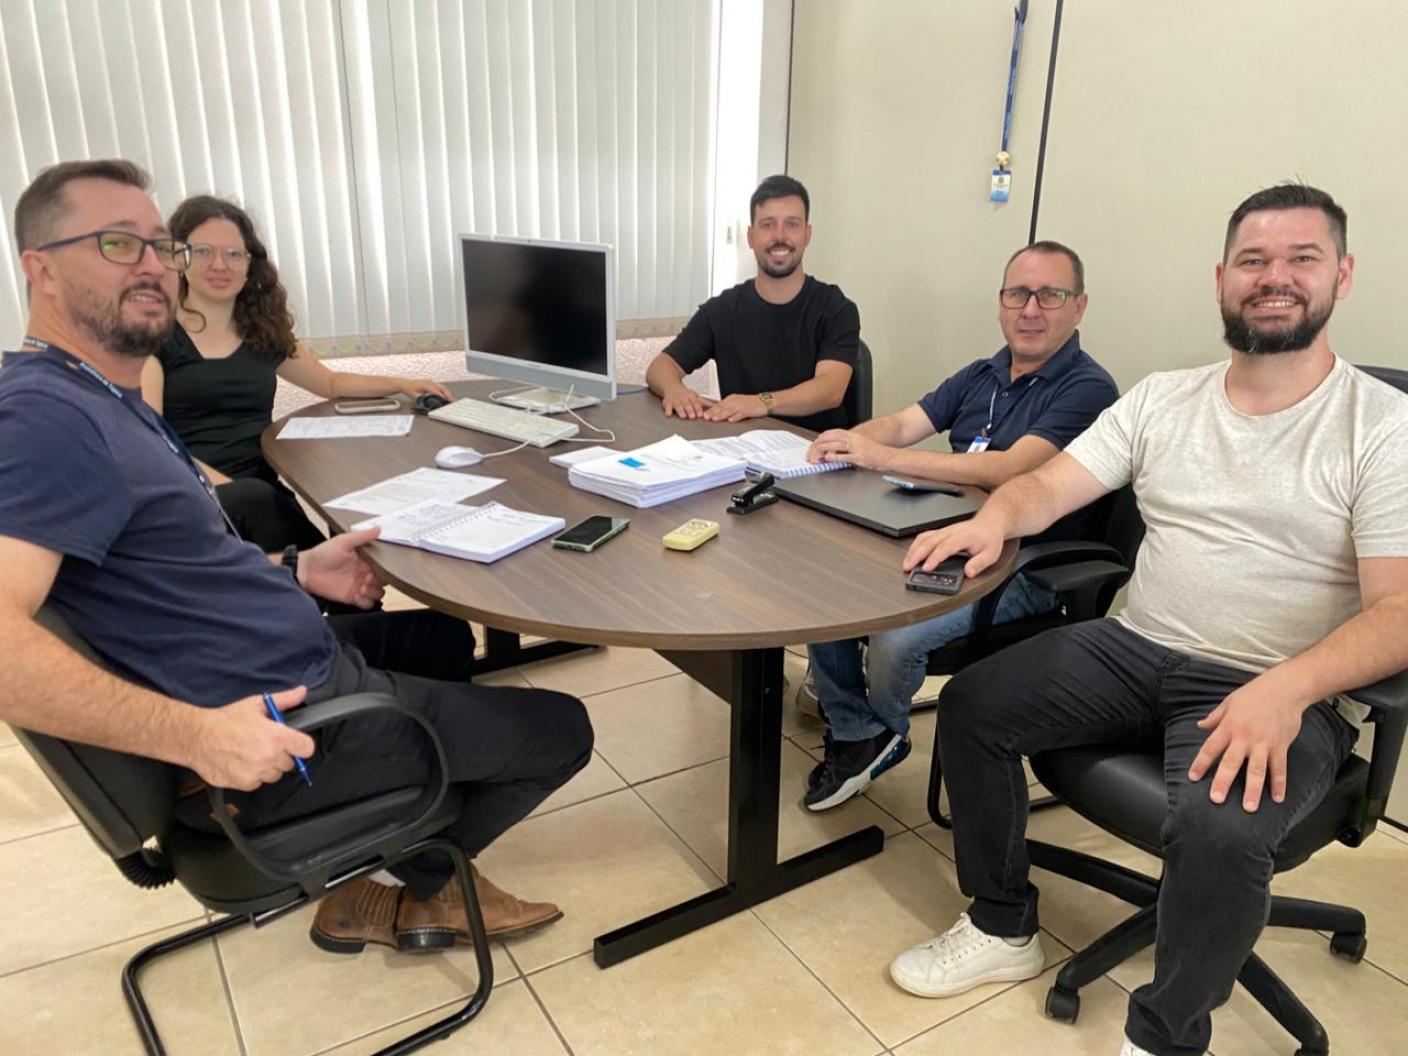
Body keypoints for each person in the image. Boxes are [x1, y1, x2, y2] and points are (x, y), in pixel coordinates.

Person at [0, 159, 593, 956]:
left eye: (158, 246)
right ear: (40, 269)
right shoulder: (46, 419)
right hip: (280, 729)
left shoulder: (103, 396)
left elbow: (169, 570)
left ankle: (390, 844)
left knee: (444, 637)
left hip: (280, 666)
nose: (152, 266)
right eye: (116, 244)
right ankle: (428, 883)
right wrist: (193, 738)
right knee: (562, 727)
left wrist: (296, 570)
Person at [888, 184, 1408, 1056]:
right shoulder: (1164, 398)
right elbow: (1047, 485)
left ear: (1341, 276)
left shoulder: (1383, 427)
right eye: (1252, 260)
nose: (1273, 278)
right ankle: (1002, 924)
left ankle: (1166, 1034)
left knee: (1220, 824)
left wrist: (1288, 689)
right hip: (1138, 645)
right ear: (1221, 278)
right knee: (973, 705)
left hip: (1279, 681)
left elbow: (1398, 612)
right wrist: (993, 520)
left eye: (1301, 259)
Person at [798, 241, 1118, 810]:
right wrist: (844, 442)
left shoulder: (1088, 389)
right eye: (1018, 294)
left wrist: (883, 458)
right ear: (1001, 302)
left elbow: (1010, 467)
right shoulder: (982, 374)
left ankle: (877, 731)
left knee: (895, 635)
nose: (1030, 309)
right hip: (947, 534)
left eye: (1049, 295)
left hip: (1025, 566)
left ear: (1080, 306)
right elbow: (904, 423)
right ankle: (858, 729)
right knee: (828, 584)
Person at [139, 194, 453, 552]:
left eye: (234, 254)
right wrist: (229, 490)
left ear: (250, 263)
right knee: (333, 558)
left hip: (261, 490)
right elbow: (151, 442)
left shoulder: (260, 330)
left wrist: (401, 383)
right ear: (178, 258)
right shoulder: (153, 338)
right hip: (195, 493)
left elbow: (329, 382)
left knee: (353, 540)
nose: (220, 265)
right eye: (204, 252)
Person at [645, 174, 859, 431]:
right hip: (741, 448)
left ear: (807, 234)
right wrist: (675, 390)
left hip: (817, 449)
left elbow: (830, 389)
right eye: (768, 225)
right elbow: (661, 367)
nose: (780, 236)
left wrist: (762, 402)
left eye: (792, 224)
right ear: (750, 236)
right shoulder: (721, 311)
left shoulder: (836, 309)